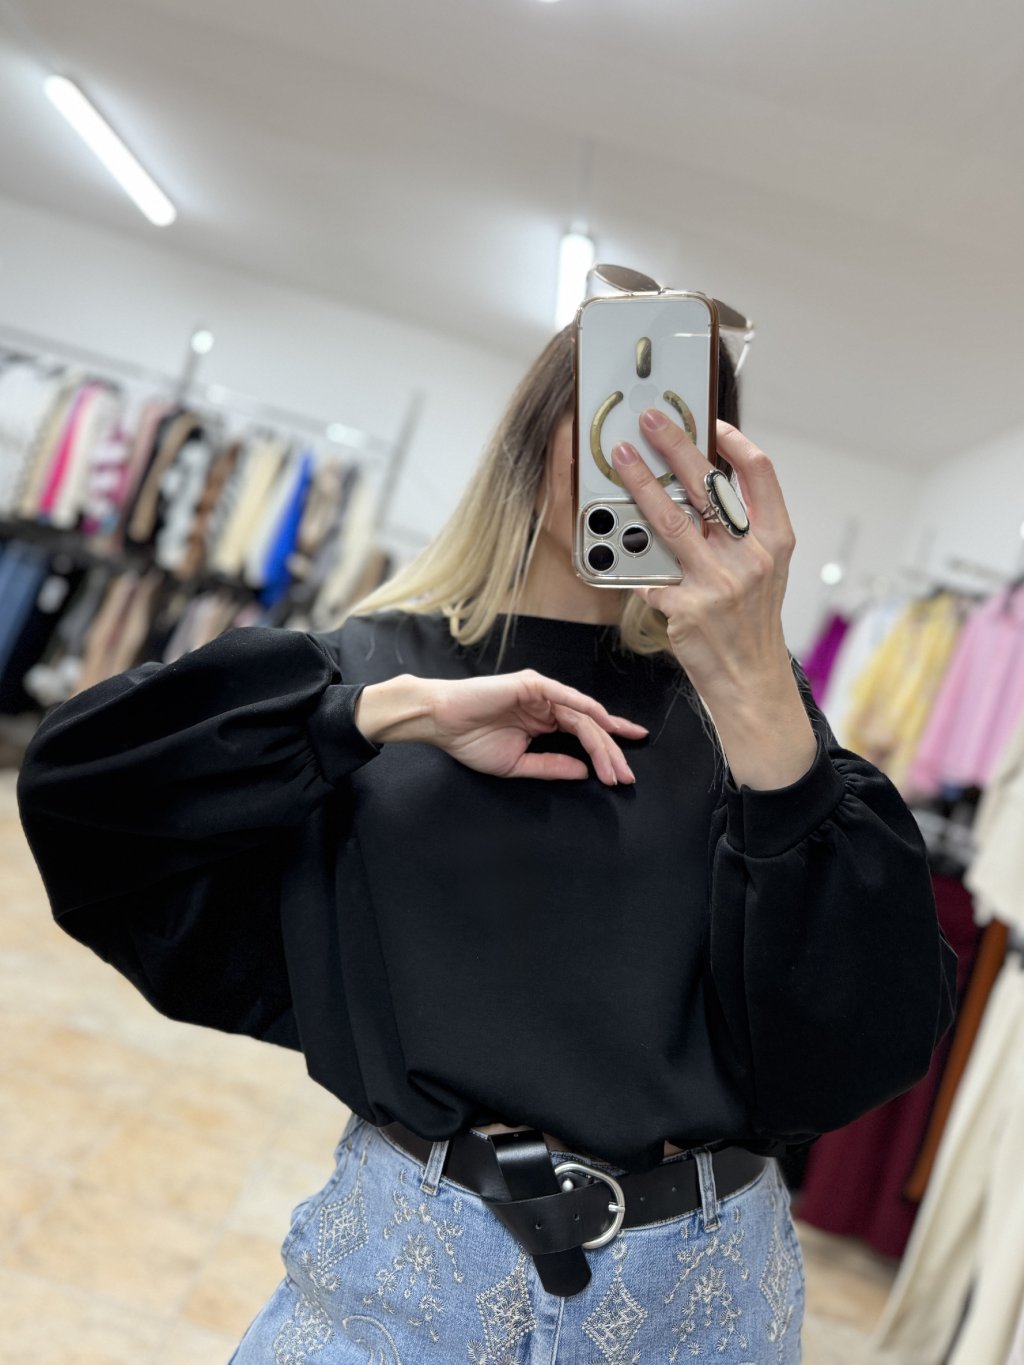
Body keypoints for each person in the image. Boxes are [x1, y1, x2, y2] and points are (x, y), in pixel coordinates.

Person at [16, 322, 957, 1363]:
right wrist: (380, 712)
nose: (633, 459)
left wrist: (758, 688)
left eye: (675, 435)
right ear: (532, 436)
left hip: (698, 1303)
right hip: (402, 1283)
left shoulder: (754, 719)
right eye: (608, 417)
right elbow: (85, 795)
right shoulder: (373, 667)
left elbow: (870, 1039)